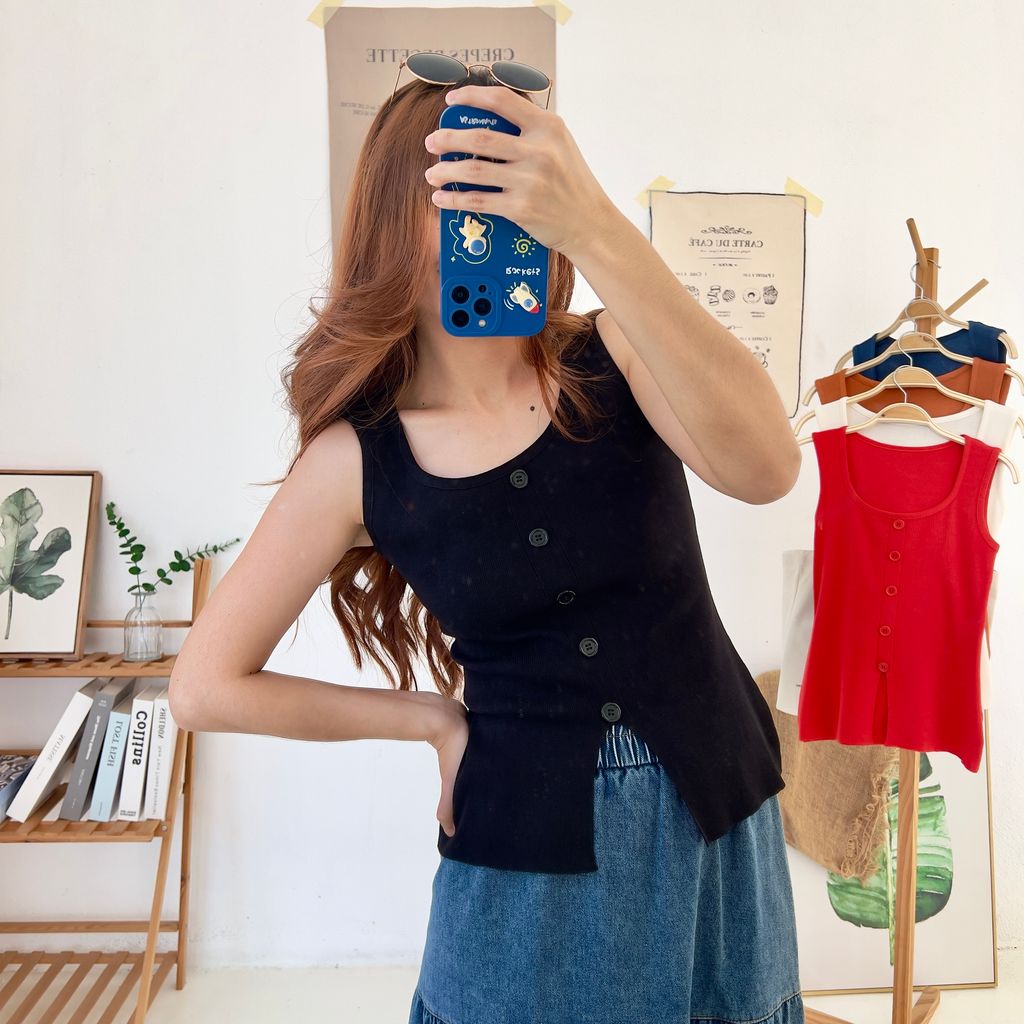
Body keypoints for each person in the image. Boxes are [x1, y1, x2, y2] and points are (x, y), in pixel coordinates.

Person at [168, 67, 806, 1024]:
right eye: (466, 190)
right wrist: (430, 720)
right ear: (398, 217)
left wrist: (597, 228)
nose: (499, 218)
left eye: (520, 188)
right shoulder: (358, 459)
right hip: (525, 847)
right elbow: (203, 686)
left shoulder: (615, 352)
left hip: (715, 807)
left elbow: (768, 469)